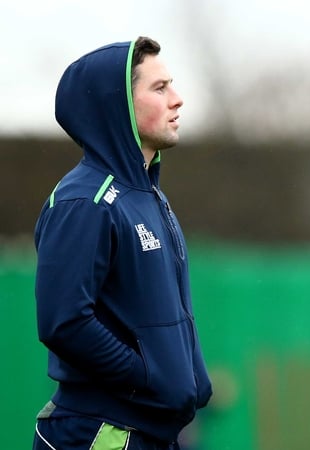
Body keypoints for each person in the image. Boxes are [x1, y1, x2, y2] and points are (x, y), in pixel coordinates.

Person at [32, 36, 212, 449]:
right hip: (103, 433)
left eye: (172, 85)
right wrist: (145, 376)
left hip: (153, 432)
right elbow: (64, 322)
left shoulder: (150, 198)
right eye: (159, 88)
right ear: (119, 106)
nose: (177, 99)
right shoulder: (84, 201)